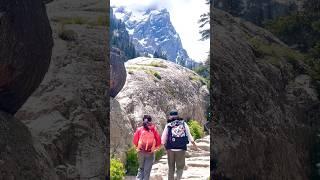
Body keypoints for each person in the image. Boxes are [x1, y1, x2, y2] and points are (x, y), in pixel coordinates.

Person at [161, 110, 198, 180]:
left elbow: (163, 138)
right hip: (181, 149)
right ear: (177, 115)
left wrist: (163, 147)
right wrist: (194, 145)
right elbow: (189, 135)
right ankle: (178, 178)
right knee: (180, 167)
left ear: (170, 116)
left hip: (170, 149)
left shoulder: (168, 125)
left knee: (171, 168)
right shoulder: (183, 124)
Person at [133, 115, 161, 180]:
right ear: (150, 121)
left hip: (141, 152)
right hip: (150, 153)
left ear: (143, 121)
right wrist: (154, 148)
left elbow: (135, 141)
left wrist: (139, 147)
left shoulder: (139, 129)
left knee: (141, 168)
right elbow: (159, 141)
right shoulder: (153, 129)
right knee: (147, 171)